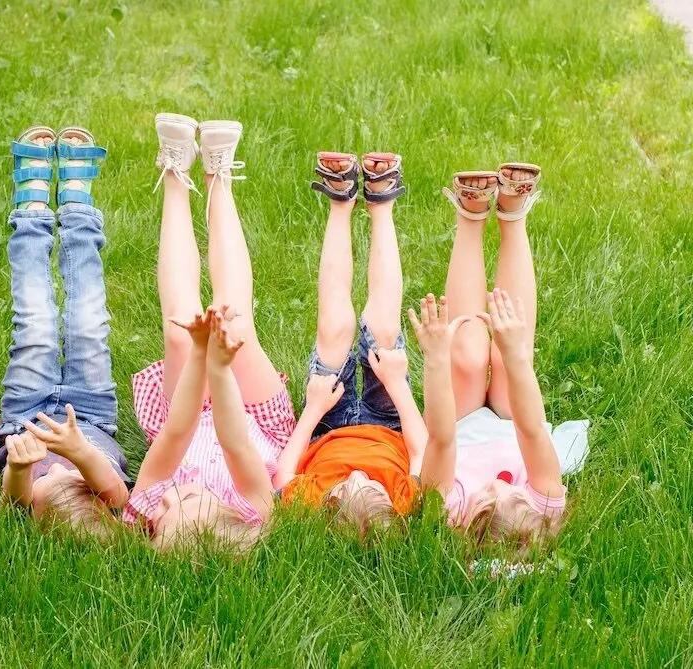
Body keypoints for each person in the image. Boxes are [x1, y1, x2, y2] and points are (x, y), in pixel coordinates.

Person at [125, 113, 296, 550]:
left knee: (179, 329)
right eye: (177, 506)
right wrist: (218, 365)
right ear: (212, 522)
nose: (161, 505)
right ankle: (220, 177)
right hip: (256, 421)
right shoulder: (255, 511)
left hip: (178, 417)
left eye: (158, 519)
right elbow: (236, 442)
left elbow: (178, 432)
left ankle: (175, 172)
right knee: (235, 320)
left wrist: (199, 352)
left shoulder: (148, 503)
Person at [417, 165, 579, 545]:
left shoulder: (448, 507)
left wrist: (438, 360)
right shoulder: (545, 506)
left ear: (471, 518)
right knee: (510, 357)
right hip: (514, 422)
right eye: (513, 491)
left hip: (460, 424)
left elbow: (440, 440)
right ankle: (513, 212)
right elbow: (531, 429)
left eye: (488, 493)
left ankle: (471, 218)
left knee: (470, 355)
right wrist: (516, 353)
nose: (498, 483)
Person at [272, 151, 426, 534]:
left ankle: (339, 201)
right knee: (384, 331)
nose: (357, 475)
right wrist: (396, 385)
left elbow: (283, 475)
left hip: (328, 420)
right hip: (391, 423)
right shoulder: (404, 500)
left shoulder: (312, 502)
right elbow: (423, 450)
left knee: (334, 327)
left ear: (330, 505)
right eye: (370, 485)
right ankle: (381, 200)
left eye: (345, 486)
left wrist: (312, 410)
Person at [0, 125, 130, 537]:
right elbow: (109, 485)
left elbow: (10, 500)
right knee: (89, 322)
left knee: (35, 324)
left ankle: (32, 210)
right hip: (90, 412)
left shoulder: (25, 498)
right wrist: (80, 453)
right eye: (66, 481)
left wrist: (20, 467)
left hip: (25, 414)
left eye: (43, 485)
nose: (51, 472)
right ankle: (77, 209)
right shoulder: (113, 500)